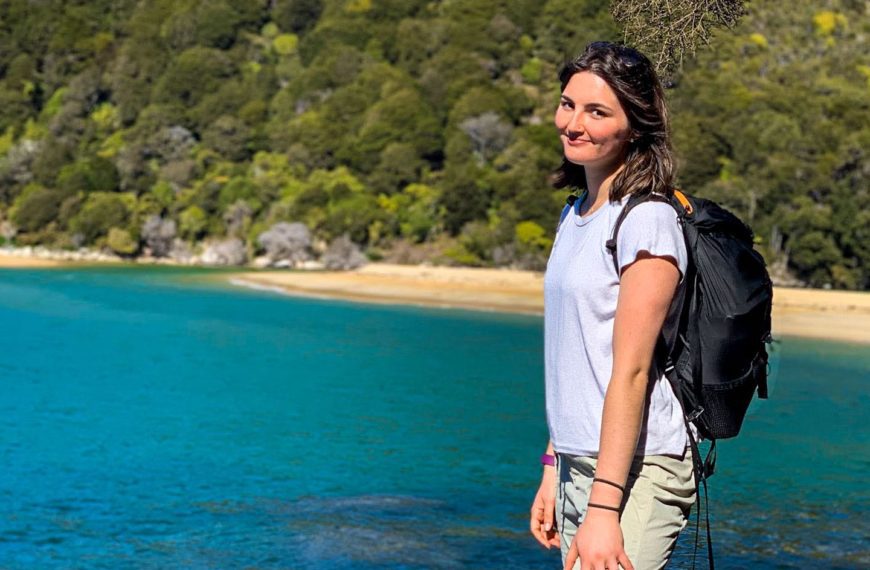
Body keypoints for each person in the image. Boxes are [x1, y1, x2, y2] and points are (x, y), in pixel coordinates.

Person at [530, 42, 697, 570]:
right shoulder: (574, 214)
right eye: (567, 104)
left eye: (597, 112)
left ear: (636, 126)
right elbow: (574, 359)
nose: (573, 123)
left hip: (639, 468)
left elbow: (631, 370)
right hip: (580, 463)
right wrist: (553, 465)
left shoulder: (646, 219)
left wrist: (603, 504)